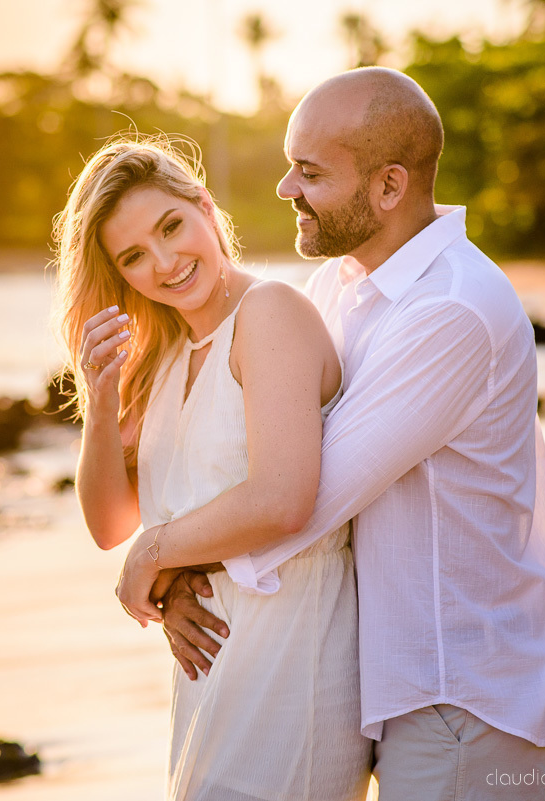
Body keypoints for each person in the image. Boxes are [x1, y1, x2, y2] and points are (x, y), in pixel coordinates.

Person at [157, 67, 545, 801]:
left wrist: (158, 560)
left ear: (388, 187)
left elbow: (305, 497)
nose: (286, 189)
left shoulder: (452, 309)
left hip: (458, 695)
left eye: (309, 172)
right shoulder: (339, 289)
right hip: (387, 682)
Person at [51, 136, 372, 800]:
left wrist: (157, 553)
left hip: (293, 671)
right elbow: (111, 523)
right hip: (210, 681)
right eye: (134, 256)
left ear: (204, 205)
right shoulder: (166, 357)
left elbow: (284, 497)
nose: (165, 262)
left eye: (172, 226)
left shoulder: (271, 312)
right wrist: (102, 395)